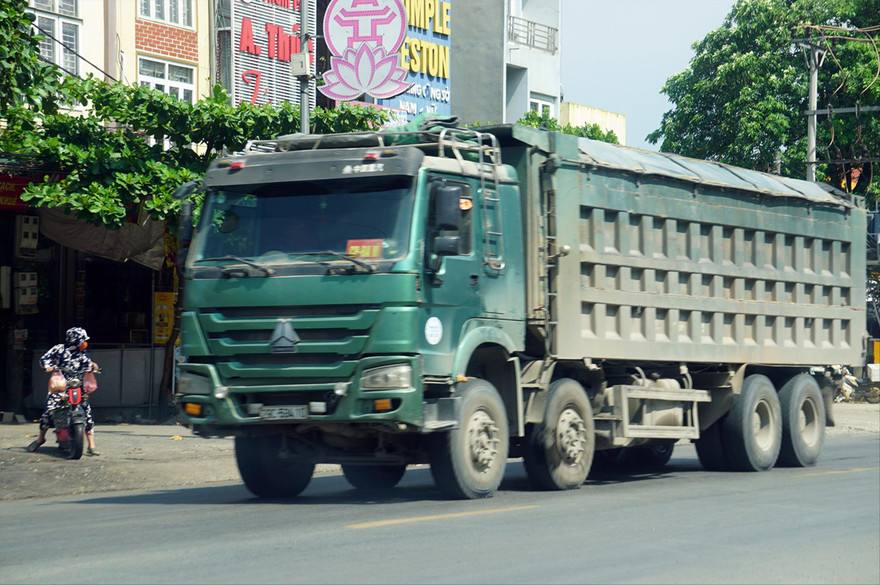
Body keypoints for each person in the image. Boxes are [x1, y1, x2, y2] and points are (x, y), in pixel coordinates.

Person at [27, 327, 100, 456]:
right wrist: (49, 367)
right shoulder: (59, 349)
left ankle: (91, 445)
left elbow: (87, 364)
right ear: (74, 340)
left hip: (77, 385)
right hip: (60, 385)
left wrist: (93, 366)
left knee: (86, 411)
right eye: (82, 340)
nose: (84, 343)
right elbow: (44, 359)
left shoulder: (83, 352)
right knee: (49, 410)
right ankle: (41, 438)